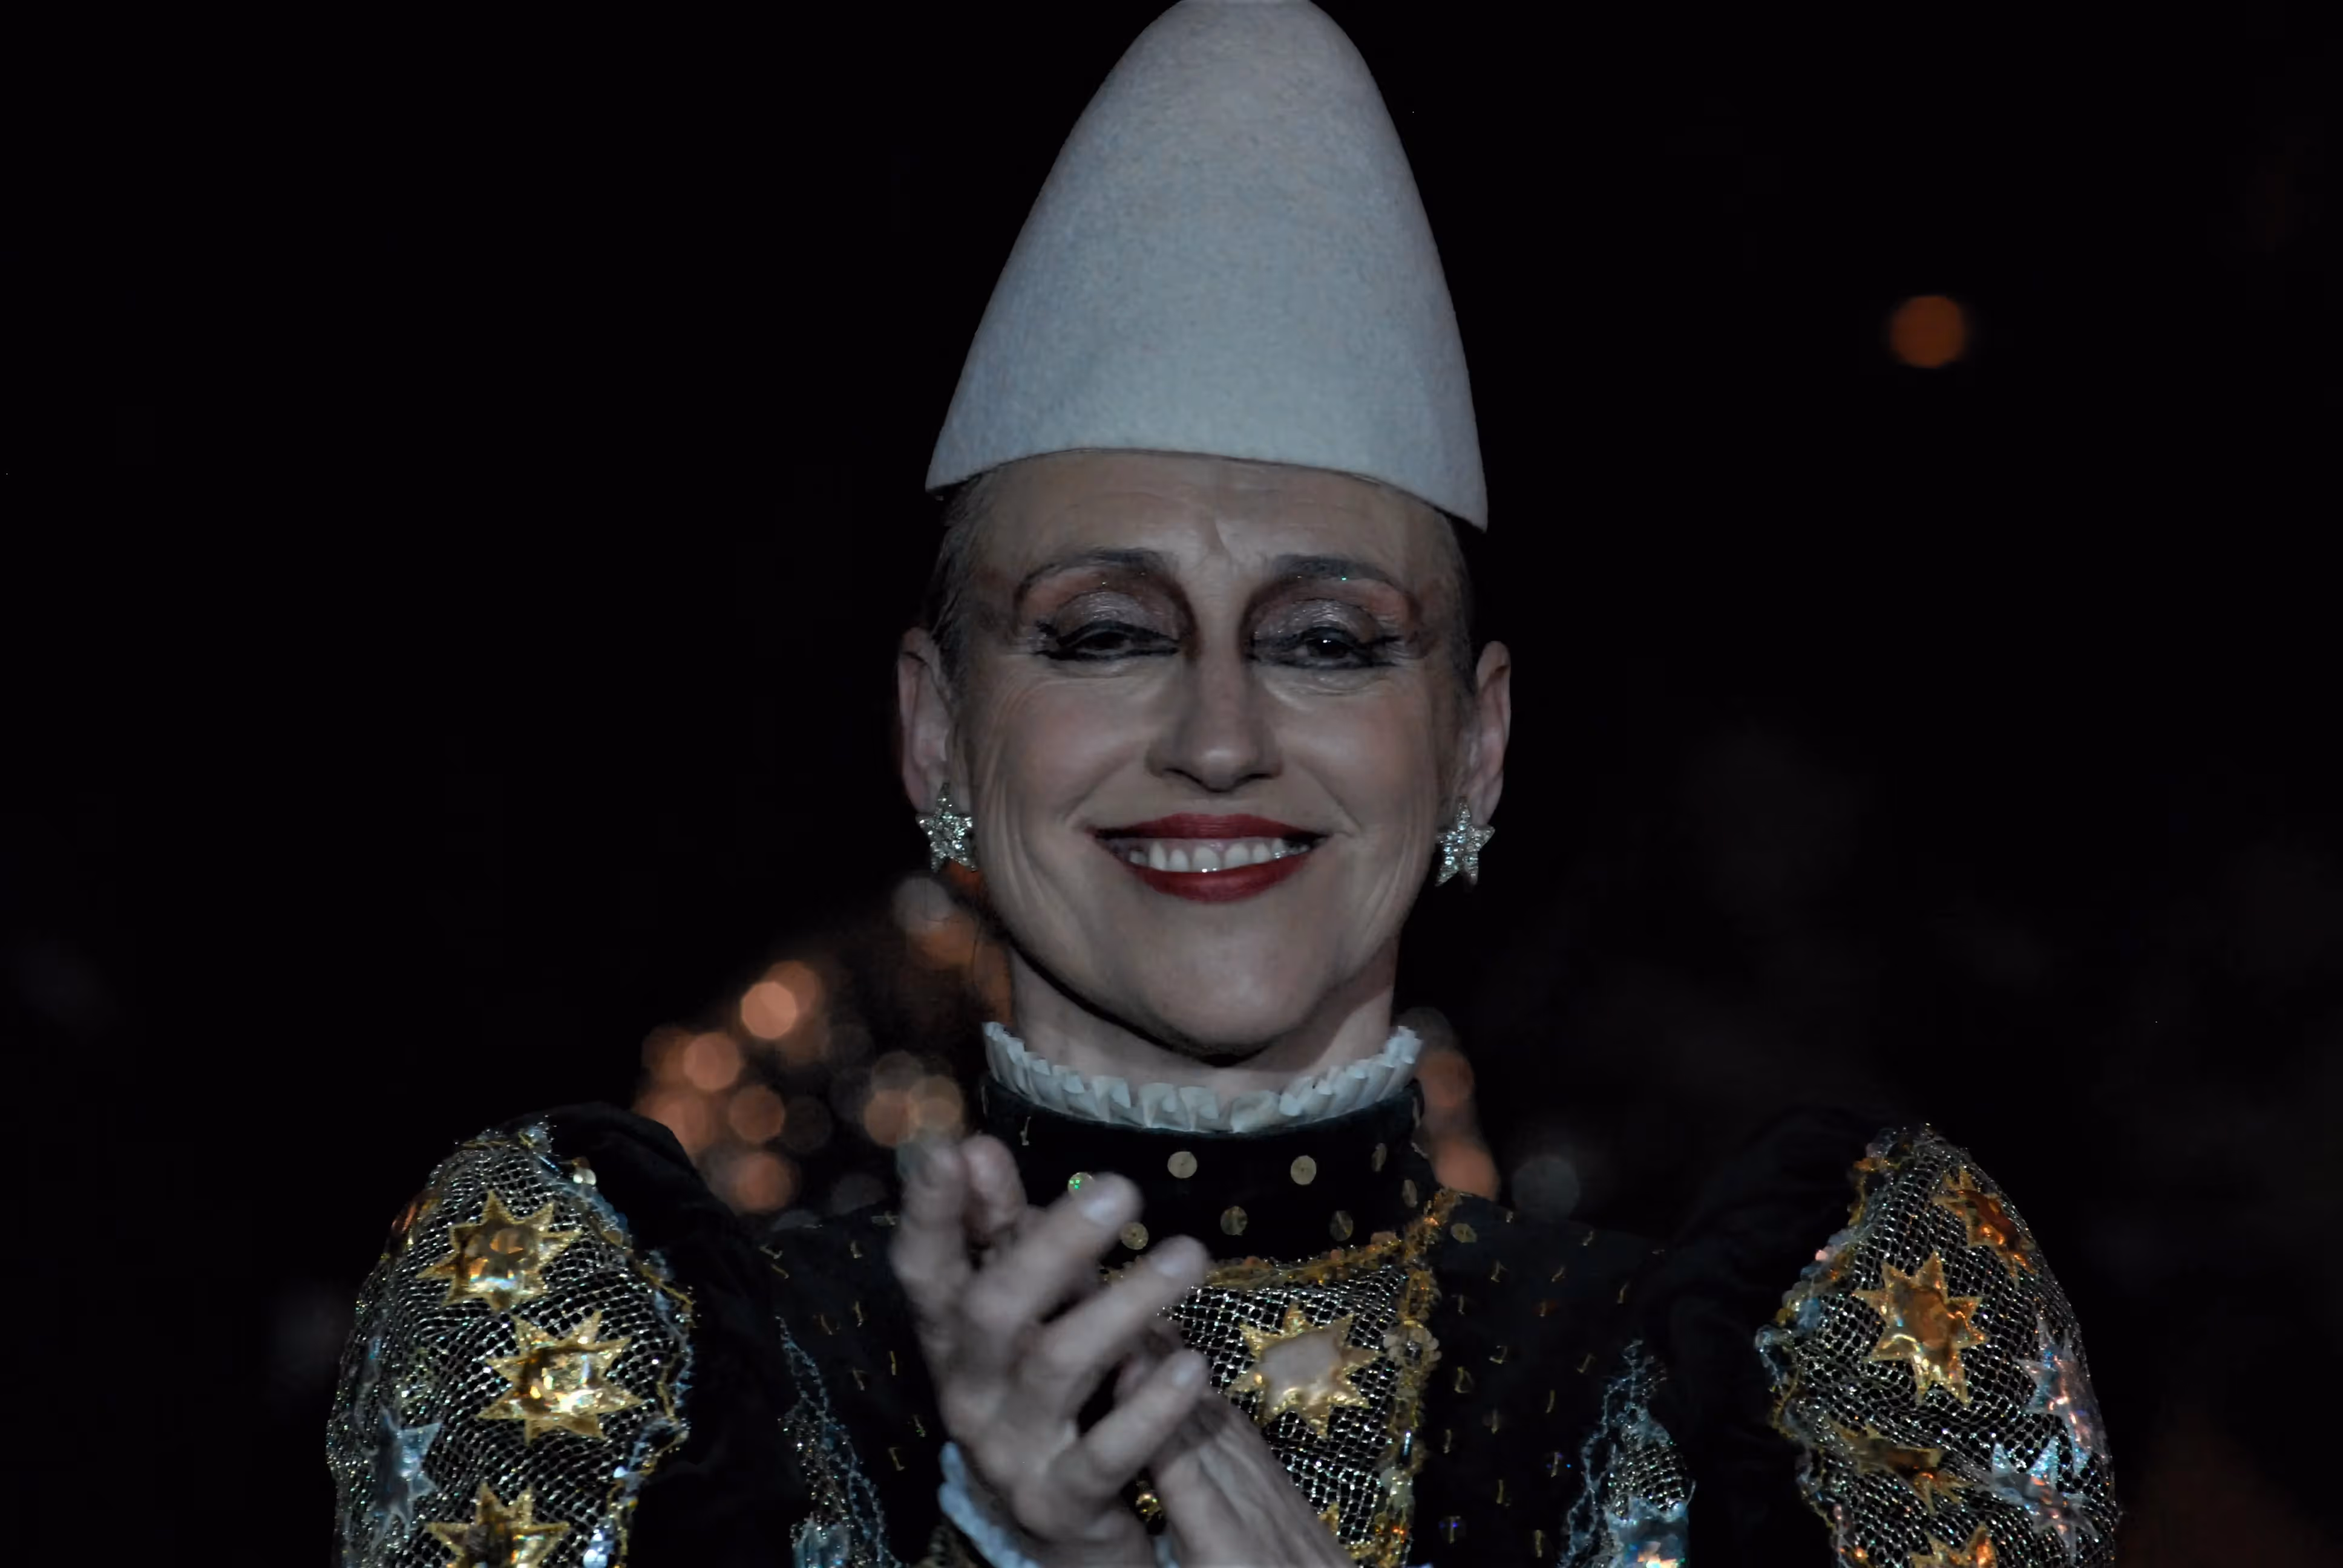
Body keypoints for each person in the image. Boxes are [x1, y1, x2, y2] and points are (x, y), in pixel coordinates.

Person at [326, 4, 2118, 1564]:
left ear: (1477, 744)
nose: (1217, 734)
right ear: (935, 734)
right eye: (1105, 632)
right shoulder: (622, 1368)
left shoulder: (1801, 1385)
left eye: (1328, 641)